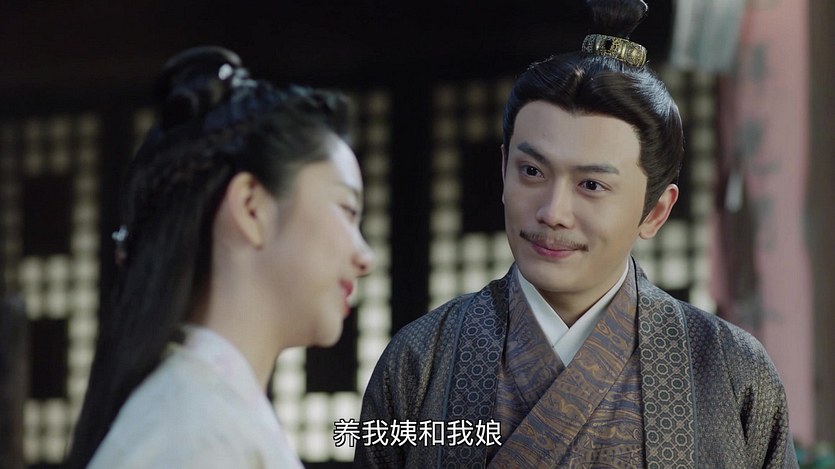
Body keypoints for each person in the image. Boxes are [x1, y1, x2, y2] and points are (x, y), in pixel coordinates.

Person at [355, 1, 798, 467]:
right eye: (532, 171)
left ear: (655, 211)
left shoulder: (732, 371)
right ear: (503, 170)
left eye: (591, 185)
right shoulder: (421, 360)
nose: (553, 212)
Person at [65, 46, 375, 468]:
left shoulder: (202, 417)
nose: (365, 257)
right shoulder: (193, 434)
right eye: (347, 210)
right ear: (251, 207)